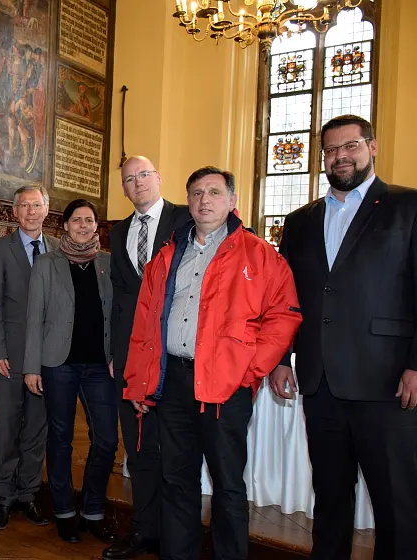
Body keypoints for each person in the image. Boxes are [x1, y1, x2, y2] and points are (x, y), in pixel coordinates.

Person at [124, 167, 302, 560]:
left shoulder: (258, 255)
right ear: (188, 202)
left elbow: (284, 314)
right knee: (177, 482)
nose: (205, 200)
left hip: (226, 388)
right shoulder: (168, 255)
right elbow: (145, 322)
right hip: (172, 383)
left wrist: (249, 368)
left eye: (215, 192)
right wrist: (139, 382)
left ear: (233, 201)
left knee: (227, 486)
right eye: (197, 193)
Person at [271, 114, 417, 560]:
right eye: (331, 150)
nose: (340, 156)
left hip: (386, 380)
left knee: (397, 502)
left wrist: (416, 364)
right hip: (320, 382)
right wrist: (281, 359)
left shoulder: (407, 207)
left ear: (372, 147)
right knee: (331, 497)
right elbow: (286, 301)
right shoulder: (299, 222)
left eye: (349, 146)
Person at [103, 156, 189, 559]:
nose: (137, 183)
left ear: (159, 178)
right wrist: (116, 356)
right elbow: (121, 301)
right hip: (132, 359)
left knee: (173, 452)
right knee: (137, 448)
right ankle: (145, 530)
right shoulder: (119, 233)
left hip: (175, 357)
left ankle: (174, 538)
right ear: (123, 189)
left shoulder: (187, 219)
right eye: (128, 180)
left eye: (143, 175)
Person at [24, 199, 117, 544]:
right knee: (60, 439)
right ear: (64, 226)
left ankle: (93, 510)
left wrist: (117, 356)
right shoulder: (47, 264)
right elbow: (34, 318)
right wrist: (31, 367)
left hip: (99, 366)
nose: (82, 225)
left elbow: (119, 315)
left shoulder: (109, 263)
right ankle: (64, 511)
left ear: (96, 226)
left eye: (88, 220)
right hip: (57, 364)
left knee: (106, 439)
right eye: (76, 220)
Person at [0, 185, 58, 530]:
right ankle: (3, 495)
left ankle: (27, 494)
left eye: (37, 205)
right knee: (8, 427)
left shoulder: (58, 250)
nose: (31, 211)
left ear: (47, 210)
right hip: (9, 357)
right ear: (15, 212)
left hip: (47, 359)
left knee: (37, 430)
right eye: (24, 206)